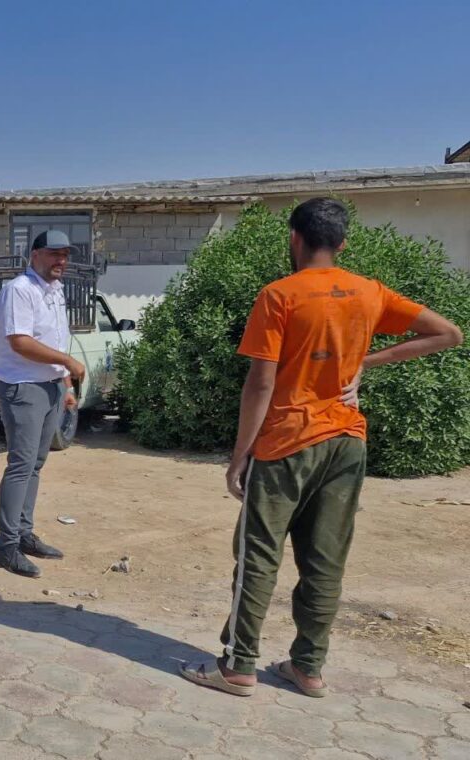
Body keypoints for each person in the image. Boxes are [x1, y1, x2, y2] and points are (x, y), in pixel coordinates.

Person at [181, 198, 462, 697]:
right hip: (347, 441)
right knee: (326, 559)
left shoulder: (279, 296)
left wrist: (239, 455)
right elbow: (448, 333)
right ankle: (308, 667)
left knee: (258, 554)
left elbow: (261, 383)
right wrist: (364, 364)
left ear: (294, 237)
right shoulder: (369, 292)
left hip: (287, 442)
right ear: (342, 243)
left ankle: (238, 666)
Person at [0, 230, 86, 578]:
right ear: (34, 255)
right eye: (54, 253)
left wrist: (65, 383)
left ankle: (23, 533)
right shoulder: (20, 289)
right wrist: (68, 362)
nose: (61, 260)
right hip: (23, 386)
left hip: (50, 387)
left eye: (65, 254)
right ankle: (6, 547)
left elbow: (54, 339)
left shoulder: (55, 291)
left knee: (35, 464)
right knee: (21, 464)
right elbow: (20, 342)